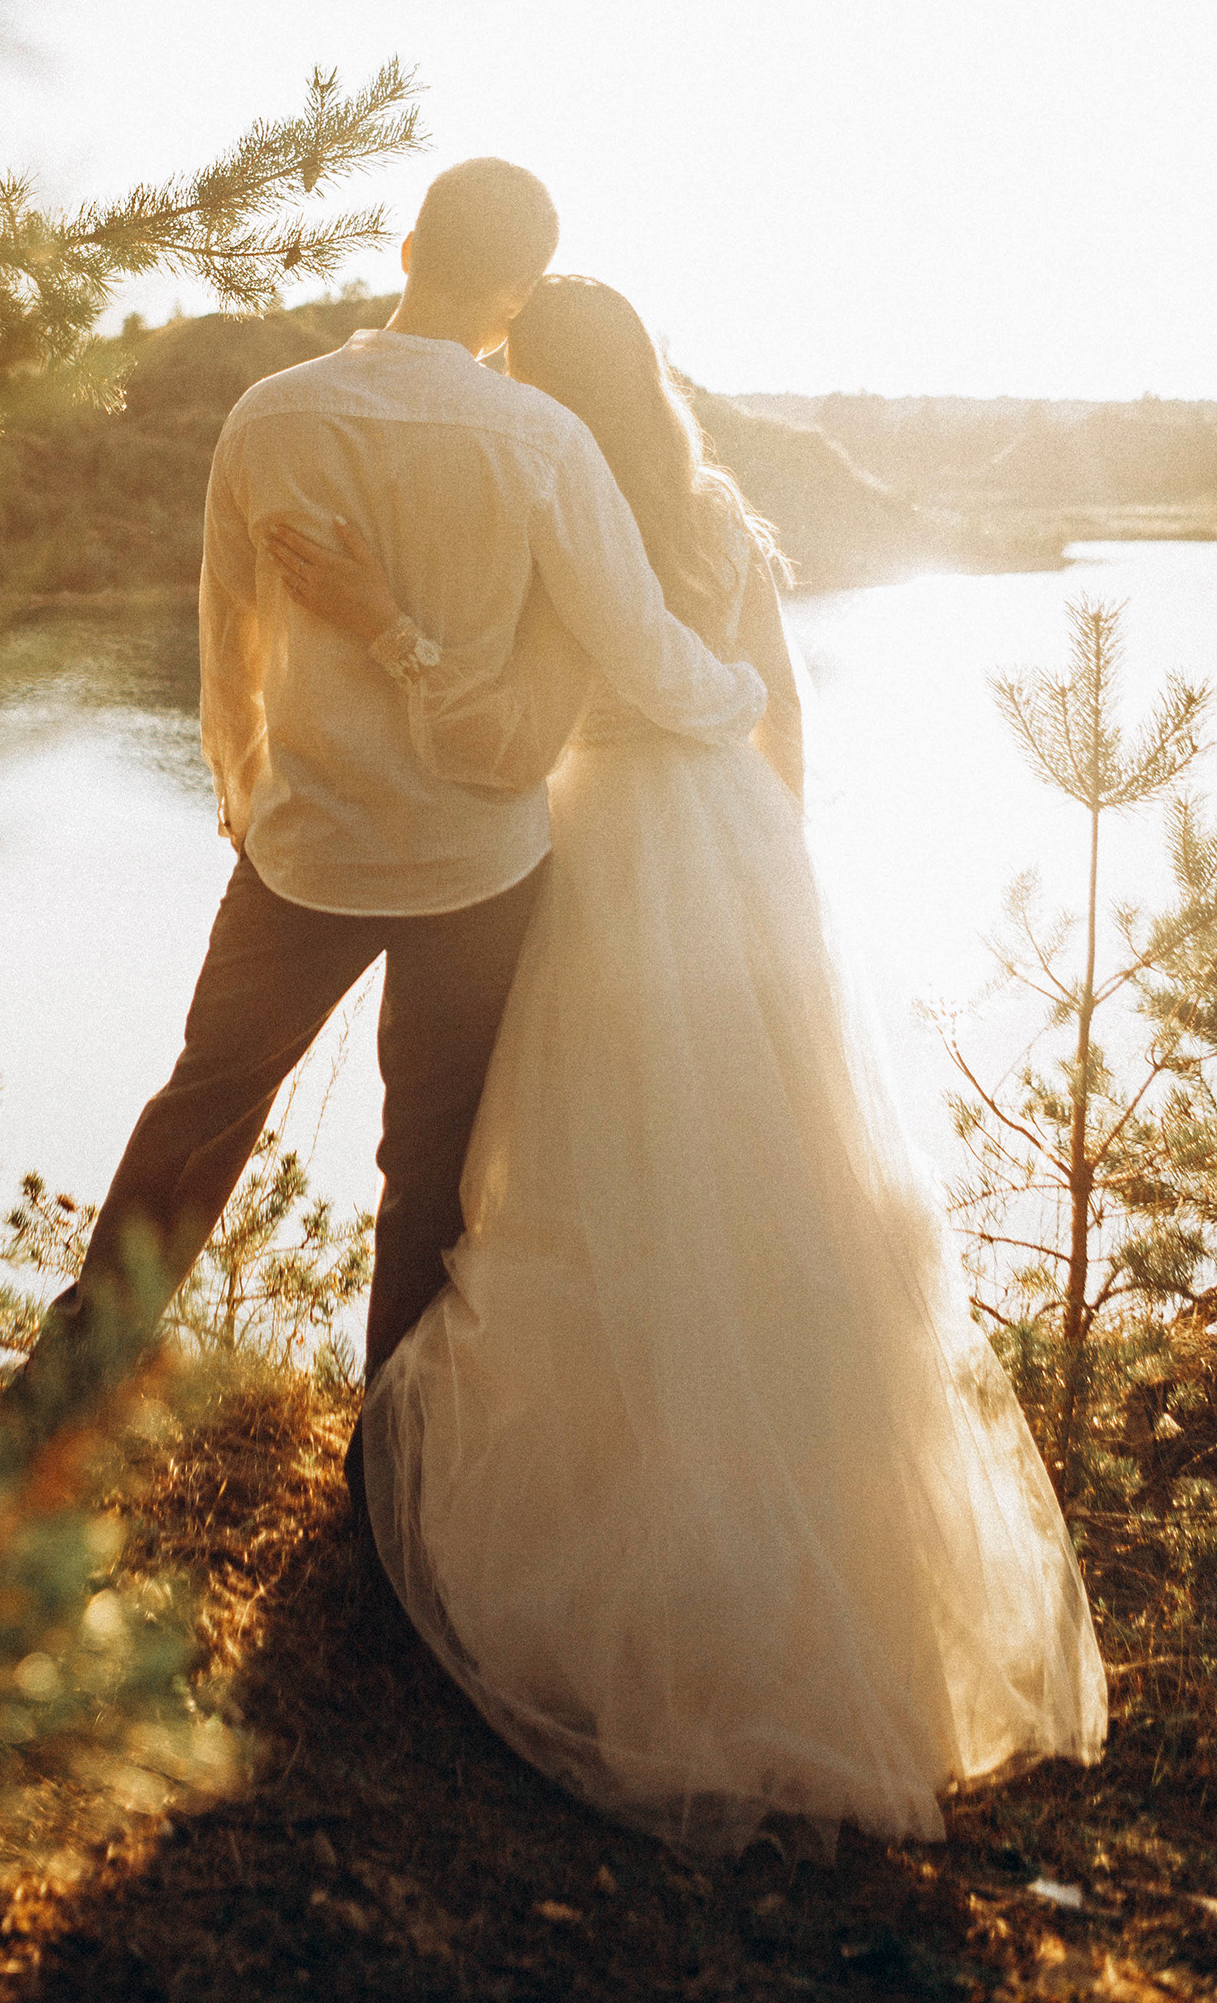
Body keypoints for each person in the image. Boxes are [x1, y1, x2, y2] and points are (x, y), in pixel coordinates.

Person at [264, 274, 1107, 1857]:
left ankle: (639, 1574)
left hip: (613, 859)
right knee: (780, 1198)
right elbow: (776, 714)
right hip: (740, 853)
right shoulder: (716, 511)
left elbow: (524, 723)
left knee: (600, 1187)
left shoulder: (565, 518)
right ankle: (844, 1595)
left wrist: (381, 621)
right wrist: (776, 878)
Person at [10, 164, 766, 1418]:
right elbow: (636, 647)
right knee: (425, 1168)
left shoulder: (269, 413)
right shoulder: (544, 442)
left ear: (407, 245)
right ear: (516, 295)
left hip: (304, 849)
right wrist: (738, 698)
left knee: (201, 1105)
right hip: (480, 869)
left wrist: (247, 800)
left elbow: (228, 643)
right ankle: (390, 1452)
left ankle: (65, 1387)